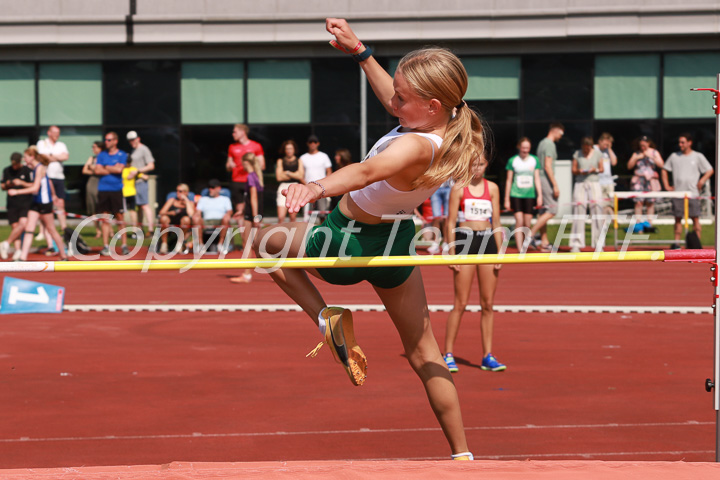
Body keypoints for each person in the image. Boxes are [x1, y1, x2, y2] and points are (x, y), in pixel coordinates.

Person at [254, 17, 484, 461]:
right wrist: (361, 52)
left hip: (347, 239)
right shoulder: (448, 124)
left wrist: (316, 188)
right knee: (424, 352)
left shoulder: (414, 148)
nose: (393, 101)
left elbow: (363, 172)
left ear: (432, 105)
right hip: (396, 243)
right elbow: (392, 98)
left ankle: (326, 318)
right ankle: (463, 455)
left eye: (403, 97)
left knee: (266, 245)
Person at [443, 156, 505, 373]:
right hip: (465, 242)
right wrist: (451, 253)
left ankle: (487, 355)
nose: (477, 168)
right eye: (473, 164)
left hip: (488, 241)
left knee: (487, 304)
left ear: (486, 165)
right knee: (460, 303)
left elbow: (496, 221)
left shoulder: (493, 189)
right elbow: (450, 222)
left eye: (480, 164)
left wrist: (500, 253)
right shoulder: (459, 187)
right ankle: (448, 354)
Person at [9, 147, 68, 261]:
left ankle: (63, 255)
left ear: (31, 157)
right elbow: (40, 184)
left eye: (25, 157)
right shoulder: (34, 168)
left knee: (51, 230)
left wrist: (17, 191)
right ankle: (22, 257)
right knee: (29, 229)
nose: (24, 160)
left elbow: (35, 188)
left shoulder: (40, 168)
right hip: (35, 203)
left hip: (45, 204)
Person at [661, 133, 714, 247]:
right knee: (678, 219)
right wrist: (666, 185)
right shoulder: (674, 156)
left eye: (683, 142)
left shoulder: (697, 156)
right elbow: (664, 169)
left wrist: (701, 181)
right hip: (678, 193)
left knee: (695, 218)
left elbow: (709, 170)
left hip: (692, 193)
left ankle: (697, 245)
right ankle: (677, 244)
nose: (680, 145)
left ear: (689, 142)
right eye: (679, 142)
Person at [503, 137, 542, 252]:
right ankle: (520, 248)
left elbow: (537, 179)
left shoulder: (534, 160)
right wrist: (506, 199)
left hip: (529, 195)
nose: (525, 150)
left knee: (527, 223)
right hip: (516, 194)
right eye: (524, 148)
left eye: (528, 148)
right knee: (519, 221)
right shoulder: (513, 161)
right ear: (519, 147)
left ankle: (525, 245)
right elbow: (509, 180)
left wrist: (540, 195)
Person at [529, 123, 564, 252]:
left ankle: (544, 242)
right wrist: (555, 185)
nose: (561, 136)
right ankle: (530, 234)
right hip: (546, 179)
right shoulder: (549, 144)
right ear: (557, 131)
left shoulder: (542, 143)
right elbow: (547, 166)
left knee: (543, 212)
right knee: (552, 210)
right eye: (562, 133)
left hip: (541, 178)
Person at [231, 153, 264, 283]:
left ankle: (246, 274)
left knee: (248, 244)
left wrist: (255, 217)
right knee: (254, 244)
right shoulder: (256, 177)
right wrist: (242, 210)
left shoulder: (251, 177)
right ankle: (247, 273)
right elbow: (249, 198)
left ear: (246, 163)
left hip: (251, 215)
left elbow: (254, 198)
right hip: (251, 213)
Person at [95, 131, 129, 256]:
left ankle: (124, 245)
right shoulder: (101, 155)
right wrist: (112, 167)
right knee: (105, 218)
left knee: (120, 217)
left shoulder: (122, 154)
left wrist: (106, 167)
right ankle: (105, 246)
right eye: (106, 140)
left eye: (109, 140)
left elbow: (119, 169)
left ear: (115, 141)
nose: (106, 142)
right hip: (103, 189)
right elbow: (97, 170)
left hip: (116, 189)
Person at [569, 137, 604, 253]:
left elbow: (602, 168)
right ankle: (576, 243)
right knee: (579, 211)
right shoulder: (577, 154)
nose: (586, 151)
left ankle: (599, 243)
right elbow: (573, 169)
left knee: (597, 211)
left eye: (588, 148)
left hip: (594, 182)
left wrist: (595, 169)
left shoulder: (598, 154)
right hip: (580, 183)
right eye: (584, 148)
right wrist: (579, 171)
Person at [226, 124, 265, 226]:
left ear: (242, 132)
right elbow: (228, 166)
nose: (233, 134)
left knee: (254, 207)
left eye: (235, 132)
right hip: (237, 181)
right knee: (240, 212)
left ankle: (256, 234)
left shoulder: (256, 146)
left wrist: (249, 166)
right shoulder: (232, 147)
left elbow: (262, 165)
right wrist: (230, 165)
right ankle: (244, 239)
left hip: (251, 181)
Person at [0, 152, 33, 260]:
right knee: (15, 228)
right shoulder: (6, 170)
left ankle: (6, 243)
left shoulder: (27, 171)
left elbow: (33, 185)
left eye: (16, 164)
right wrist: (8, 184)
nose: (14, 167)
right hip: (12, 203)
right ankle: (18, 251)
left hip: (25, 202)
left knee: (23, 224)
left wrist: (21, 183)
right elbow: (2, 186)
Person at [36, 125, 69, 234]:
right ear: (49, 133)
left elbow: (65, 157)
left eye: (58, 132)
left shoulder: (61, 144)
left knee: (60, 203)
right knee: (45, 204)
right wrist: (56, 157)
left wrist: (50, 156)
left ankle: (64, 228)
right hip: (46, 177)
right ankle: (43, 231)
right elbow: (42, 157)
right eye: (55, 132)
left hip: (59, 177)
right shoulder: (42, 143)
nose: (57, 135)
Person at [628, 136, 664, 232]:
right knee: (638, 202)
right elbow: (629, 166)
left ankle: (649, 224)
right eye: (641, 145)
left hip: (650, 181)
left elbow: (662, 165)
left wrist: (651, 157)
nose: (643, 146)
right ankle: (638, 224)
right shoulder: (636, 153)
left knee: (650, 202)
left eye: (644, 144)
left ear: (649, 143)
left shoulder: (654, 152)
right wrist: (637, 158)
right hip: (639, 180)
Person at [126, 131, 156, 235]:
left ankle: (151, 230)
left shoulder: (144, 149)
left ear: (138, 138)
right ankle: (140, 229)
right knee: (137, 207)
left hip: (141, 181)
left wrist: (138, 171)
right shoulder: (133, 150)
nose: (132, 142)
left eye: (133, 139)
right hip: (133, 183)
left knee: (144, 205)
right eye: (130, 140)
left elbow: (151, 165)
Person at [299, 134, 332, 221]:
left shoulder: (323, 156)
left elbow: (329, 171)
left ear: (318, 144)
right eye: (310, 142)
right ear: (307, 144)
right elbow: (300, 174)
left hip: (321, 189)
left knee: (323, 213)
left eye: (315, 142)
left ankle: (323, 233)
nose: (312, 144)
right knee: (308, 215)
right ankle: (309, 233)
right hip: (308, 189)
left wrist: (325, 183)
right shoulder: (303, 157)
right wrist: (306, 185)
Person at [159, 183, 196, 254]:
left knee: (186, 219)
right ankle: (164, 244)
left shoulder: (190, 203)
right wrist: (170, 213)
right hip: (171, 222)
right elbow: (161, 212)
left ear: (186, 192)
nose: (178, 193)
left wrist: (186, 199)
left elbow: (191, 214)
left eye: (180, 191)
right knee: (163, 218)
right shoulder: (172, 200)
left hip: (183, 225)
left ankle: (179, 244)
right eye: (177, 191)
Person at [275, 140, 304, 224]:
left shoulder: (299, 161)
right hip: (283, 187)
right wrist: (295, 174)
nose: (289, 151)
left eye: (290, 148)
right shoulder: (280, 161)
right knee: (281, 217)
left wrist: (287, 173)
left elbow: (300, 176)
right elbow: (279, 177)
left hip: (295, 187)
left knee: (292, 217)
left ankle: (291, 236)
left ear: (294, 149)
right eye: (287, 149)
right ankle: (279, 236)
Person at [82, 141, 104, 238]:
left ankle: (109, 230)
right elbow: (84, 170)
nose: (93, 149)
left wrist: (94, 168)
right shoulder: (92, 158)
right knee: (93, 208)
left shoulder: (105, 157)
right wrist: (95, 170)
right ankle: (98, 230)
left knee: (103, 208)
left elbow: (105, 170)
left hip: (102, 182)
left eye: (94, 147)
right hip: (92, 182)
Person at [594, 133, 617, 218]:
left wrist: (609, 149)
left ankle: (606, 222)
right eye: (604, 144)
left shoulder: (608, 150)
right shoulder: (594, 149)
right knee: (600, 204)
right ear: (600, 141)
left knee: (609, 203)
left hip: (608, 182)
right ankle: (608, 220)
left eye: (608, 144)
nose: (605, 146)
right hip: (598, 181)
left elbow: (614, 162)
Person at [122, 156, 140, 238]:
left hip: (124, 193)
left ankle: (125, 232)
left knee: (123, 213)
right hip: (131, 192)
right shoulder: (133, 169)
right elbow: (144, 176)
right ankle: (134, 232)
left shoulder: (122, 169)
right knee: (133, 212)